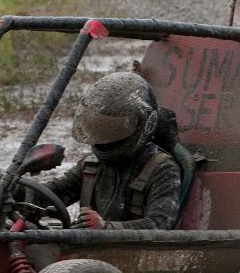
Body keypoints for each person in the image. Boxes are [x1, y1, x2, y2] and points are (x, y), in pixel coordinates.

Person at [39, 72, 182, 231]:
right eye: (102, 129)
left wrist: (106, 227)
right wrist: (17, 190)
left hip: (132, 252)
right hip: (90, 249)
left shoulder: (163, 170)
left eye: (114, 129)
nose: (105, 141)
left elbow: (159, 224)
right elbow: (57, 192)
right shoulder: (92, 165)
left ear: (143, 126)